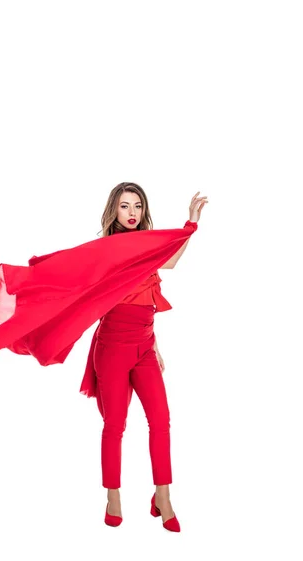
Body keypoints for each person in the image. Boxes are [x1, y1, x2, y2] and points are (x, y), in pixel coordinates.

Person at [79, 182, 207, 531]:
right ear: (114, 211)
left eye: (137, 205)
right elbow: (90, 293)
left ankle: (162, 496)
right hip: (114, 348)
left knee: (161, 420)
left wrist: (190, 223)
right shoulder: (108, 248)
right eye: (124, 206)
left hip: (145, 346)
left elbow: (171, 263)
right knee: (115, 425)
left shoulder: (147, 244)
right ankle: (113, 496)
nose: (132, 212)